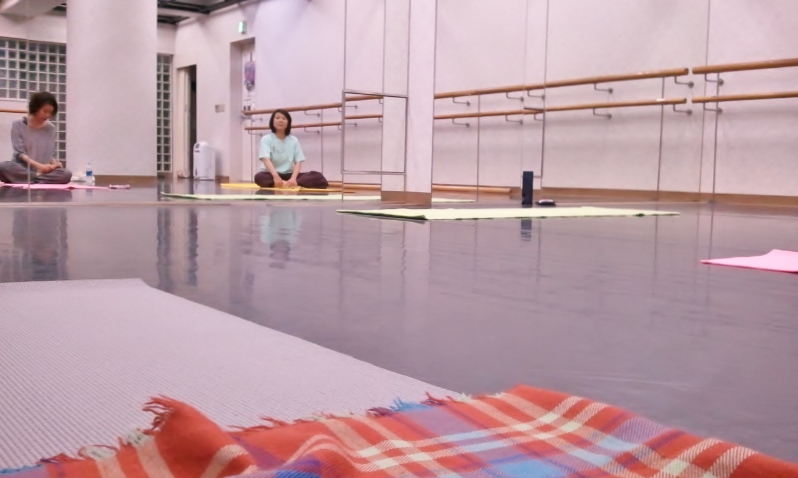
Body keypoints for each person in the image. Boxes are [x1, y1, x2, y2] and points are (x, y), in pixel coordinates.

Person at [0, 92, 72, 184]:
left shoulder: (51, 128)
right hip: (22, 168)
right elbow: (20, 154)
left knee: (66, 174)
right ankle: (36, 177)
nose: (48, 115)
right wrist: (40, 167)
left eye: (50, 112)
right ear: (35, 108)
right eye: (45, 111)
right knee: (3, 167)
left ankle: (30, 178)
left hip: (43, 170)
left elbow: (50, 155)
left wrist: (55, 164)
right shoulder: (18, 124)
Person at [254, 109, 328, 189]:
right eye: (277, 118)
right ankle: (284, 183)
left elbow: (298, 161)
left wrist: (293, 179)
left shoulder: (294, 140)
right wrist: (276, 176)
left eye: (284, 118)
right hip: (271, 174)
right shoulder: (266, 139)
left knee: (318, 177)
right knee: (259, 177)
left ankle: (289, 183)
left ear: (288, 122)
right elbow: (266, 159)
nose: (280, 120)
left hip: (289, 174)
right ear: (272, 121)